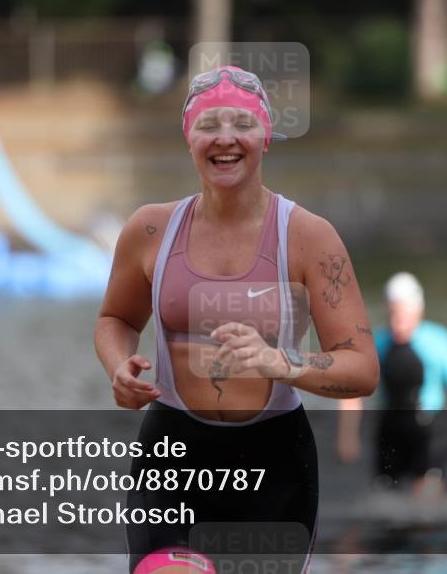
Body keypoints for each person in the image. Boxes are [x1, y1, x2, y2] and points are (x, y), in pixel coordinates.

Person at [95, 65, 379, 573]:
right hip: (172, 453)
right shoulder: (151, 229)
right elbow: (115, 317)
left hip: (273, 461)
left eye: (242, 124)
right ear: (189, 138)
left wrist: (281, 361)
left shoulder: (309, 238)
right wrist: (118, 367)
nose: (225, 139)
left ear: (265, 137)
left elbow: (362, 370)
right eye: (209, 125)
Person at [337, 272, 447, 497]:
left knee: (426, 502)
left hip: (429, 431)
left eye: (404, 313)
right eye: (393, 313)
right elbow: (353, 392)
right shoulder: (378, 344)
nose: (398, 321)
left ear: (418, 310)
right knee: (385, 502)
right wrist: (347, 434)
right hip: (390, 429)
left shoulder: (438, 342)